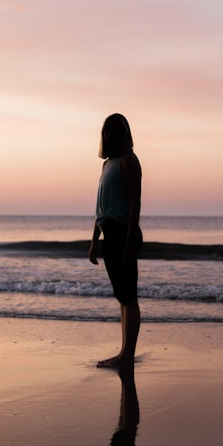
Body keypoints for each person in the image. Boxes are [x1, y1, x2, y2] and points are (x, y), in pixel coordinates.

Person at [88, 114, 142, 368]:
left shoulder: (128, 161)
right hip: (109, 233)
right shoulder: (107, 164)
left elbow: (134, 202)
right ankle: (124, 354)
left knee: (129, 296)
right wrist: (94, 240)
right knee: (121, 296)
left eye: (115, 129)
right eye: (106, 130)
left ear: (125, 132)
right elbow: (101, 207)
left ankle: (127, 356)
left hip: (124, 233)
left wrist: (131, 240)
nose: (110, 134)